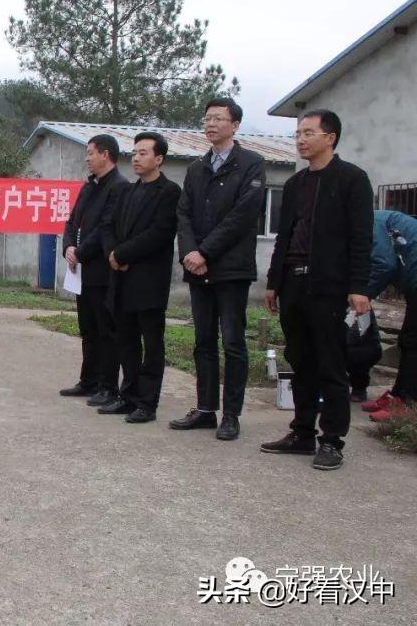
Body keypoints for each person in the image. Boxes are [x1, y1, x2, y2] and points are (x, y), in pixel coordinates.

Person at [262, 109, 373, 471]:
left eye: (308, 133)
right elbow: (284, 237)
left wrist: (358, 287)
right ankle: (302, 432)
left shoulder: (352, 180)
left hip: (329, 285)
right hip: (293, 281)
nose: (300, 140)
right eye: (298, 134)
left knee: (331, 363)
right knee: (300, 359)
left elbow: (361, 239)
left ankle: (332, 440)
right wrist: (274, 282)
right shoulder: (295, 184)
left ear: (331, 137)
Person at [170, 98, 266, 440]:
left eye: (218, 119)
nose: (211, 124)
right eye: (207, 118)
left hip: (232, 269)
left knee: (234, 342)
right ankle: (206, 409)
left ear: (235, 125)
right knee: (203, 341)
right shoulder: (197, 168)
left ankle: (231, 415)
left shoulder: (251, 164)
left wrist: (205, 251)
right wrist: (190, 252)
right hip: (198, 269)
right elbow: (183, 214)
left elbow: (243, 216)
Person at [98, 132, 181, 424]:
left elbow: (159, 234)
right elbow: (107, 226)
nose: (136, 157)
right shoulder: (126, 192)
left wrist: (122, 255)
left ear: (158, 159)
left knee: (152, 345)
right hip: (121, 280)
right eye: (134, 153)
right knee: (126, 342)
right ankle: (128, 396)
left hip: (148, 281)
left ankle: (147, 402)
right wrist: (112, 254)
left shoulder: (169, 192)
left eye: (143, 153)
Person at [59, 135, 128, 404]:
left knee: (105, 330)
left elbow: (105, 229)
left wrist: (81, 251)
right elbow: (71, 222)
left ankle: (108, 386)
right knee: (87, 328)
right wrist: (68, 248)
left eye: (90, 153)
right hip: (81, 271)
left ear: (106, 154)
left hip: (103, 271)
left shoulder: (119, 188)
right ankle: (88, 381)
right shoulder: (89, 188)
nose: (87, 158)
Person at [361, 209, 417, 420]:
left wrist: (364, 294)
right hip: (413, 279)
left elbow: (384, 264)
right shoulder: (374, 220)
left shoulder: (371, 221)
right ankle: (397, 395)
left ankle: (407, 402)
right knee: (406, 339)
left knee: (413, 341)